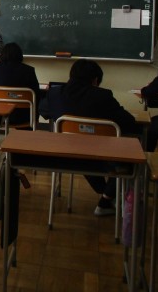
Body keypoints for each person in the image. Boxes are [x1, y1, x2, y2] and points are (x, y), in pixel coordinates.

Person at [45, 59, 141, 216]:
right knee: (133, 153)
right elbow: (129, 122)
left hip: (65, 155)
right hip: (100, 157)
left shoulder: (55, 94)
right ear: (95, 80)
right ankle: (107, 197)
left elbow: (44, 110)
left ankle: (106, 194)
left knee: (83, 152)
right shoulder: (103, 96)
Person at [0, 42, 40, 127]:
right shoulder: (29, 70)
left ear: (2, 55)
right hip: (24, 117)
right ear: (20, 55)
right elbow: (36, 93)